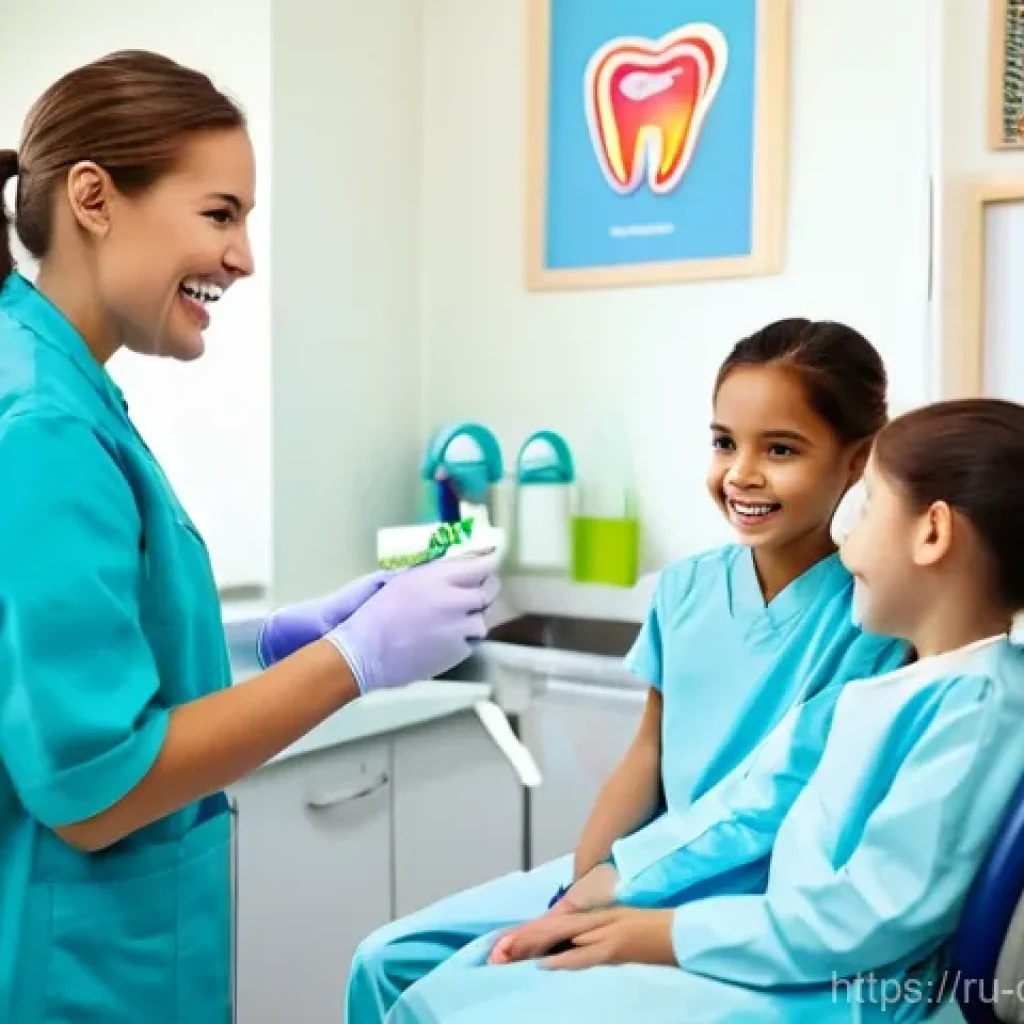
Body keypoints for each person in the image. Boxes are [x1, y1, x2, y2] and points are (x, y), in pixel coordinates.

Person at [0, 51, 498, 1024]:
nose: (243, 258)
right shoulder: (43, 425)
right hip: (75, 977)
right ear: (94, 198)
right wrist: (354, 660)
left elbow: (73, 654)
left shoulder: (62, 387)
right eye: (220, 214)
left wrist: (265, 643)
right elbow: (94, 791)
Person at [380, 397, 1024, 1024]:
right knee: (443, 993)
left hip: (848, 993)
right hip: (788, 952)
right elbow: (756, 796)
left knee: (458, 1006)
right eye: (724, 441)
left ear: (932, 532)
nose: (844, 537)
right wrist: (614, 883)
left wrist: (661, 935)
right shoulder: (906, 687)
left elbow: (859, 919)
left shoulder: (976, 711)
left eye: (870, 507)